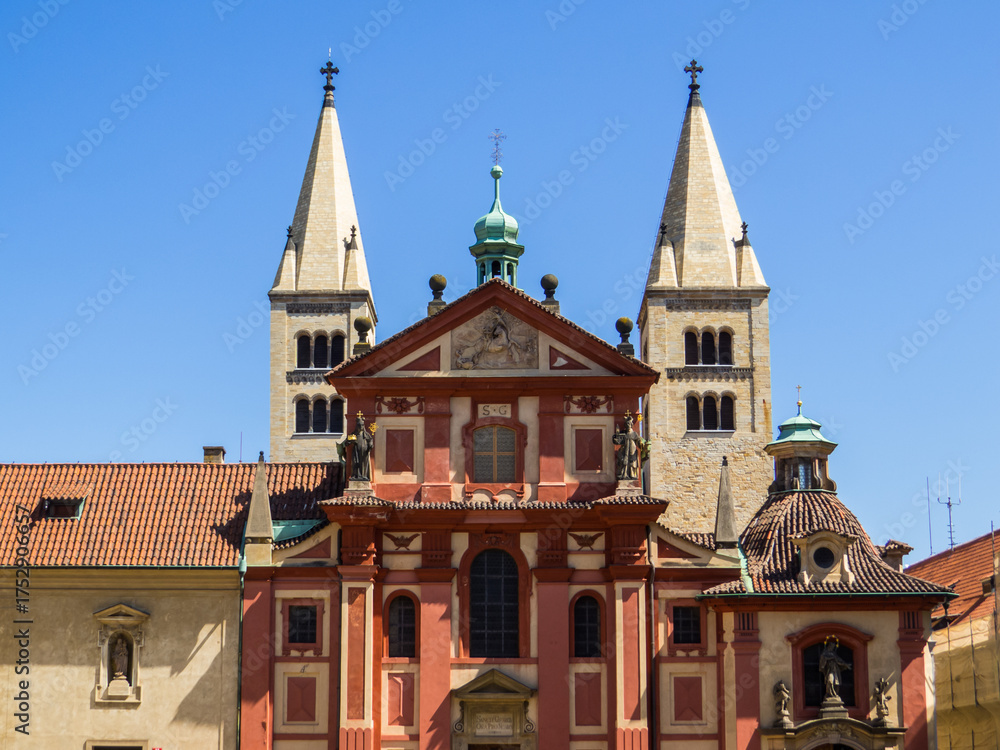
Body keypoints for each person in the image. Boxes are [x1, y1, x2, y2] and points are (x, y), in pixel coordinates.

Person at [819, 637, 851, 701]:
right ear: (829, 646)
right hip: (829, 670)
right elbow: (822, 661)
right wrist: (829, 659)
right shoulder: (825, 653)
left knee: (836, 683)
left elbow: (839, 660)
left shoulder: (834, 654)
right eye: (831, 646)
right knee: (830, 681)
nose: (832, 648)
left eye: (833, 647)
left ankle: (835, 694)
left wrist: (846, 665)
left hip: (835, 670)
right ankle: (830, 694)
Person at [613, 412, 641, 480]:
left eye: (629, 424)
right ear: (625, 425)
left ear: (631, 425)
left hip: (632, 450)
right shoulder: (623, 433)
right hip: (624, 450)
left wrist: (641, 443)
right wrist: (616, 437)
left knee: (632, 463)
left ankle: (632, 475)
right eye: (627, 424)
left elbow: (639, 442)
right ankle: (624, 474)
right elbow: (617, 441)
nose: (628, 425)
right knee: (623, 462)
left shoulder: (634, 434)